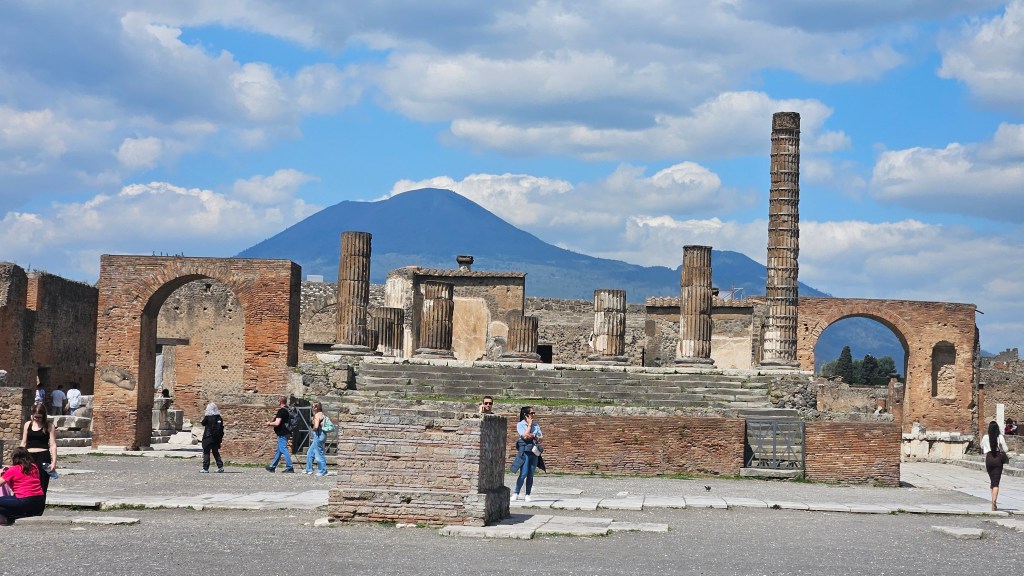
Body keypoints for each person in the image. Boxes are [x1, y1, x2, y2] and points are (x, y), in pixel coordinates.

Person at [0, 447, 47, 526]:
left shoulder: (14, 469)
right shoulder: (34, 467)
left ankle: (10, 517)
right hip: (39, 502)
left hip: (25, 500)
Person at [19, 403, 57, 496]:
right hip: (29, 457)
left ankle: (40, 503)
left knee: (42, 483)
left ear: (43, 416)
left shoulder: (49, 426)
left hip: (43, 456)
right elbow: (23, 442)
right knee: (27, 482)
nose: (37, 419)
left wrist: (54, 462)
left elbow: (53, 445)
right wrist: (19, 458)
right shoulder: (28, 424)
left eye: (39, 417)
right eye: (35, 416)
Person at [512, 405, 542, 502]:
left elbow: (541, 438)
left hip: (534, 451)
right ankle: (516, 492)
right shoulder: (520, 424)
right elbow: (524, 436)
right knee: (523, 473)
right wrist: (529, 425)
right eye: (531, 413)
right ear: (526, 415)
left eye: (534, 413)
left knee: (531, 473)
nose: (533, 415)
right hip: (525, 451)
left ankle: (528, 494)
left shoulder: (536, 425)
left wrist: (535, 436)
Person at [981, 420, 1010, 511]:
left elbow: (982, 446)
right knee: (996, 482)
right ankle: (994, 502)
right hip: (997, 459)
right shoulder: (1000, 437)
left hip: (989, 459)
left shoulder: (985, 437)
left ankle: (993, 501)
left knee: (992, 481)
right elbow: (1006, 449)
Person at [265, 396, 294, 473]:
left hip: (282, 433)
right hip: (287, 432)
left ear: (280, 401)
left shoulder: (281, 411)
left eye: (278, 400)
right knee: (279, 450)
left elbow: (277, 423)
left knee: (283, 449)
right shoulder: (288, 410)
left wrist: (269, 423)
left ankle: (290, 467)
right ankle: (272, 467)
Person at [304, 401, 328, 476]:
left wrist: (313, 429)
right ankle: (308, 469)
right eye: (312, 406)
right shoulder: (322, 414)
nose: (312, 408)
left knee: (319, 454)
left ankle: (323, 471)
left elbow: (316, 426)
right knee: (310, 452)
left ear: (317, 407)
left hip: (318, 434)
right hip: (322, 434)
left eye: (314, 406)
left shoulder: (317, 415)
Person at [200, 403, 225, 473]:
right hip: (215, 438)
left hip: (207, 437)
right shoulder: (219, 417)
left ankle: (205, 468)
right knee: (215, 452)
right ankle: (220, 467)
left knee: (206, 453)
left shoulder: (207, 417)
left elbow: (203, 423)